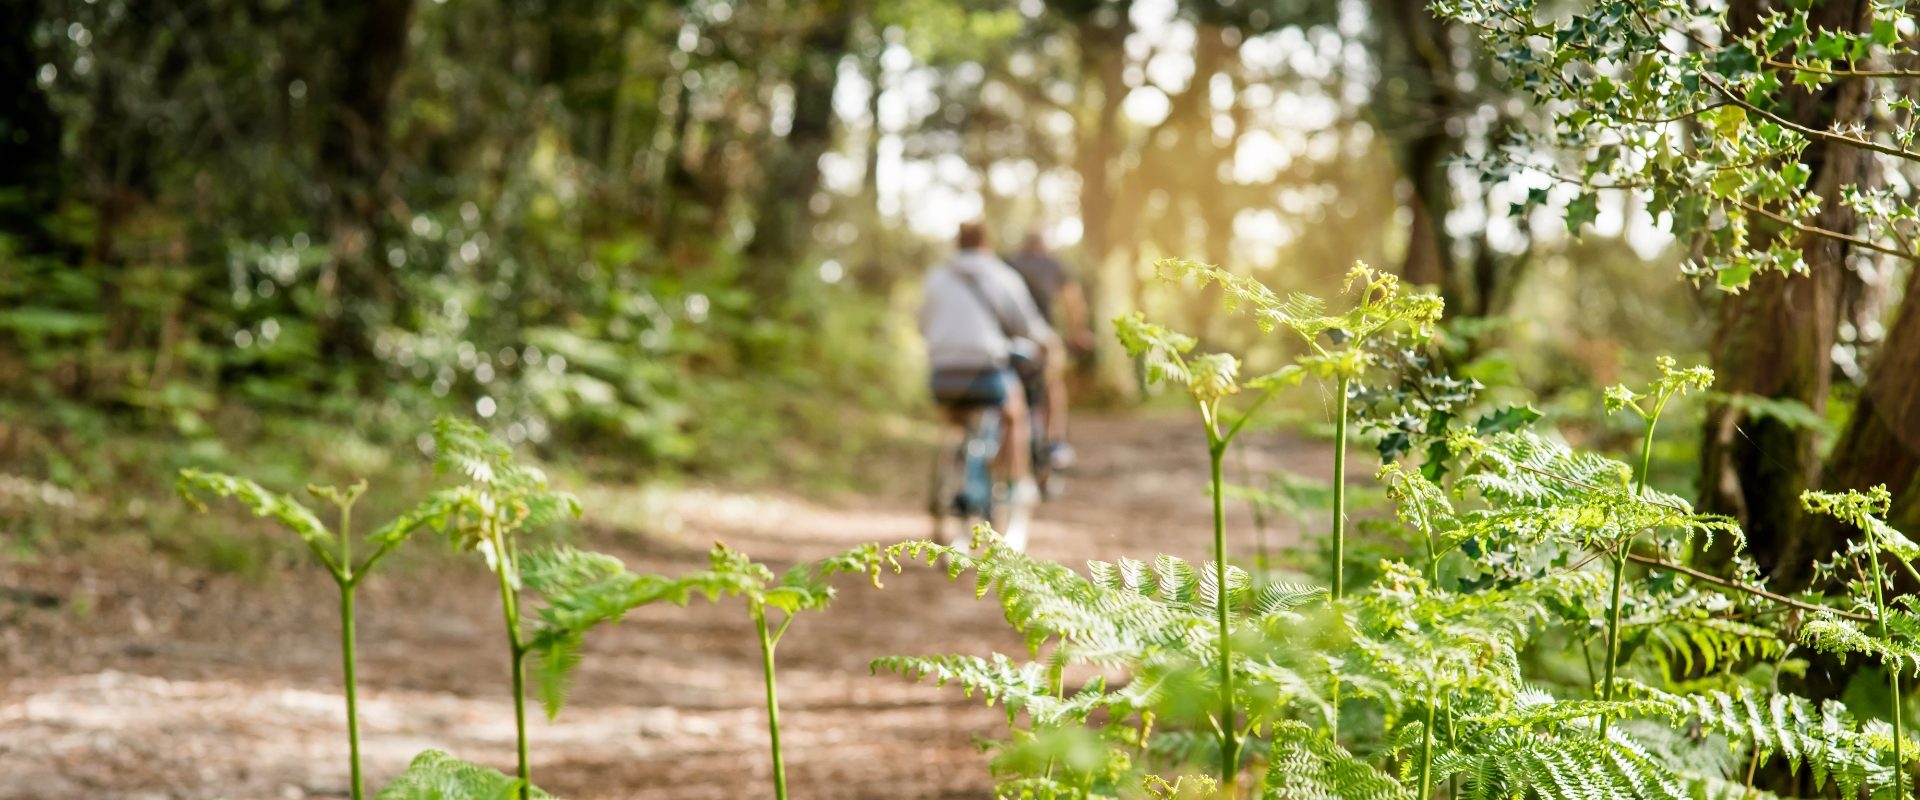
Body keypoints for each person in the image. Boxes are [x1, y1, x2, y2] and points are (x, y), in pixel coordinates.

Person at [918, 221, 1059, 548]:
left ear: (958, 243)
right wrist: (1049, 345)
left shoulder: (936, 278)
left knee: (956, 417)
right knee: (1014, 413)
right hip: (986, 371)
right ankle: (1014, 487)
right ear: (987, 242)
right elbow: (1028, 325)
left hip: (942, 374)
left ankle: (949, 469)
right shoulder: (1001, 275)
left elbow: (922, 323)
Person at [1004, 229, 1088, 467]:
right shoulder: (1053, 266)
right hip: (1042, 337)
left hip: (1010, 336)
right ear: (1045, 246)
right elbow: (1073, 302)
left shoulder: (1009, 263)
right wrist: (1079, 333)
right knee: (1053, 381)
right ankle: (1055, 441)